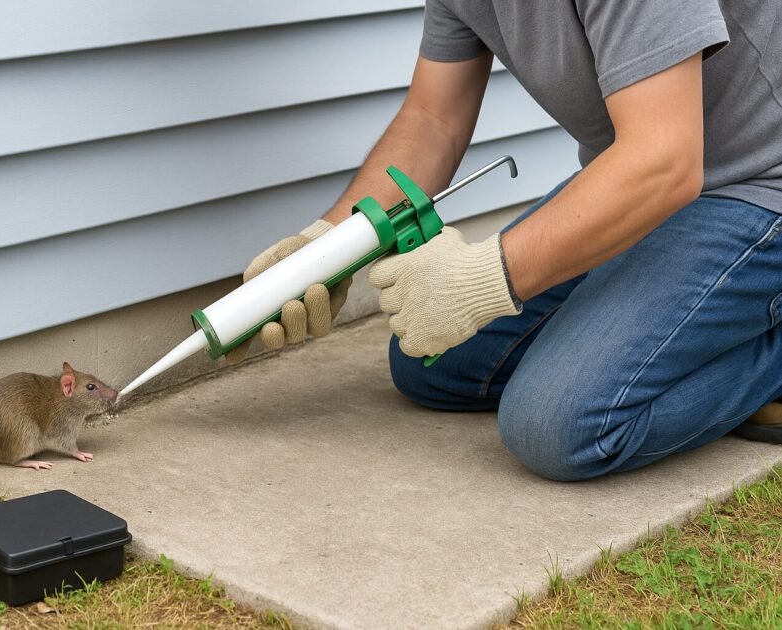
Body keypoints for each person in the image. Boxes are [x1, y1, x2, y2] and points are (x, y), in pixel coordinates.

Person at [227, 1, 782, 480]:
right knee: (432, 362)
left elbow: (664, 161)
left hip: (756, 182)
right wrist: (331, 244)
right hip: (649, 180)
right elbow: (432, 120)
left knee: (558, 424)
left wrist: (480, 280)